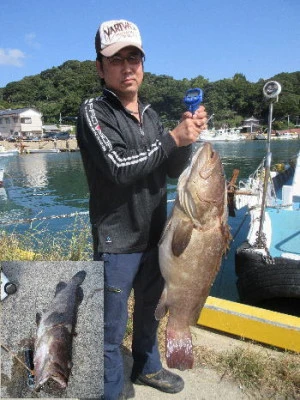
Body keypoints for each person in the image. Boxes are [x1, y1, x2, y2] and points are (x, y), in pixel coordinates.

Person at [76, 19, 207, 400]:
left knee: (151, 310)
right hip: (117, 239)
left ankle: (147, 365)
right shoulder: (94, 111)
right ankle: (111, 389)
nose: (128, 66)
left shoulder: (149, 114)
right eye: (117, 59)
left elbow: (169, 168)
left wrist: (184, 141)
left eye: (134, 57)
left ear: (143, 65)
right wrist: (173, 138)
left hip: (156, 236)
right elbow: (119, 169)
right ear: (100, 68)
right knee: (110, 326)